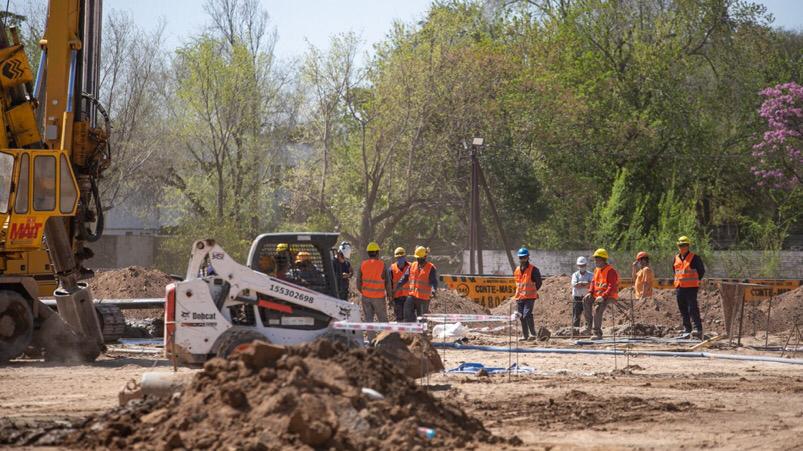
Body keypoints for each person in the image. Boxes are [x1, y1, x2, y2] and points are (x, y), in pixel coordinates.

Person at [582, 248, 619, 340]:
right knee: (586, 299)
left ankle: (597, 332)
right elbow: (593, 282)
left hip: (608, 296)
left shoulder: (611, 271)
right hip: (598, 295)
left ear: (603, 260)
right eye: (595, 259)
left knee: (597, 308)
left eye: (597, 259)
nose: (595, 261)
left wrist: (603, 297)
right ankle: (588, 327)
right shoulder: (597, 270)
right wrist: (590, 292)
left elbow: (611, 287)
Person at [357, 241, 390, 340]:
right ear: (377, 253)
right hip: (379, 298)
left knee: (369, 320)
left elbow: (358, 283)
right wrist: (390, 295)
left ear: (368, 253)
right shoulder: (382, 265)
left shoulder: (363, 265)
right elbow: (387, 282)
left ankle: (371, 341)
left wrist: (364, 292)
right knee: (383, 320)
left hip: (366, 298)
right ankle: (386, 340)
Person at [673, 236, 705, 339]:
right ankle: (687, 329)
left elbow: (701, 271)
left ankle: (698, 329)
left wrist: (694, 280)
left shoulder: (694, 258)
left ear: (688, 246)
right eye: (681, 245)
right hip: (679, 287)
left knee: (692, 308)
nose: (683, 247)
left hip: (691, 288)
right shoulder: (676, 258)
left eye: (685, 245)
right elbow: (675, 271)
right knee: (682, 308)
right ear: (678, 246)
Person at [396, 246, 438, 322]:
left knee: (422, 317)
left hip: (423, 298)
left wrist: (433, 291)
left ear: (425, 257)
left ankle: (422, 332)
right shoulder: (413, 265)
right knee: (407, 311)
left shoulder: (430, 267)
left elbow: (434, 282)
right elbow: (405, 277)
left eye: (420, 258)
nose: (418, 259)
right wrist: (398, 285)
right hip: (412, 295)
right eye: (417, 258)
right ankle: (411, 329)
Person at [513, 247, 543, 341]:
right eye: (521, 258)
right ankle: (525, 336)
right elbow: (517, 283)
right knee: (521, 317)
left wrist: (533, 290)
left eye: (524, 257)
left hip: (530, 297)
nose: (523, 259)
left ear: (527, 257)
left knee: (527, 315)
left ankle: (533, 334)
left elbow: (539, 282)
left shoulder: (534, 269)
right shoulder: (517, 270)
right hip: (520, 297)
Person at [388, 247, 411, 321]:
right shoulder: (391, 268)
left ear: (405, 257)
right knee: (399, 317)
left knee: (409, 317)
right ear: (396, 258)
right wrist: (390, 298)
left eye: (402, 257)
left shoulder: (411, 267)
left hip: (409, 296)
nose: (400, 259)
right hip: (397, 297)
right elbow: (389, 284)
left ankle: (408, 332)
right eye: (398, 257)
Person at [570, 256, 592, 329]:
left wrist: (580, 283)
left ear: (586, 265)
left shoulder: (590, 274)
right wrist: (585, 284)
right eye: (580, 265)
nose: (582, 267)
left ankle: (588, 330)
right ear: (577, 266)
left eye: (583, 265)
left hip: (587, 298)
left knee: (588, 315)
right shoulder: (575, 275)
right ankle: (575, 331)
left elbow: (591, 284)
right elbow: (575, 285)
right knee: (576, 316)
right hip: (577, 298)